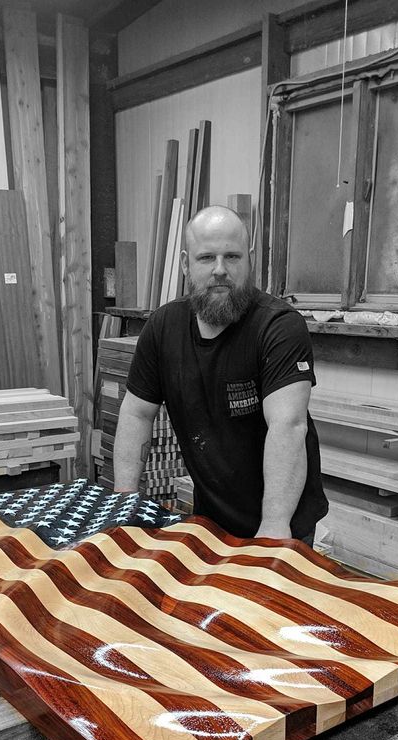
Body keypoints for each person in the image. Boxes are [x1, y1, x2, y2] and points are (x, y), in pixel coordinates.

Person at [113, 204, 328, 545]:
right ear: (185, 263)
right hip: (210, 518)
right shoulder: (163, 327)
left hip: (281, 520)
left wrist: (274, 527)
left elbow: (288, 425)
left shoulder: (279, 326)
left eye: (232, 257)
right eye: (206, 258)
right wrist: (124, 500)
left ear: (250, 258)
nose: (220, 270)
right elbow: (137, 413)